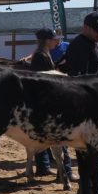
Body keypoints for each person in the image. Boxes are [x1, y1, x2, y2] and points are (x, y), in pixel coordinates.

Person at [30, 28, 78, 181]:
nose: (56, 41)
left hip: (41, 100)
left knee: (42, 136)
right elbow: (46, 78)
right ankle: (66, 171)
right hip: (47, 100)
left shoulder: (42, 54)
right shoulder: (41, 56)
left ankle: (43, 167)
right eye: (53, 39)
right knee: (60, 138)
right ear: (47, 40)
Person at [64, 12, 98, 76]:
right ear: (86, 27)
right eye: (97, 31)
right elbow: (79, 78)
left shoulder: (94, 41)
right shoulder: (79, 46)